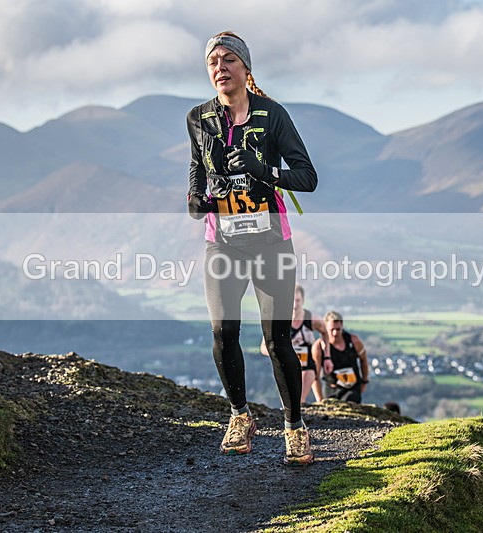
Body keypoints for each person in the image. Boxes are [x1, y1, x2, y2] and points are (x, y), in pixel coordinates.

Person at [186, 31, 317, 465]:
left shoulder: (272, 115)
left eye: (227, 59)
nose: (219, 67)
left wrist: (265, 170)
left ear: (245, 68)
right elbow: (195, 169)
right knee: (223, 333)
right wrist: (195, 199)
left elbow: (307, 177)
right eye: (212, 62)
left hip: (270, 242)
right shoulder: (198, 119)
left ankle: (294, 426)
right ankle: (240, 416)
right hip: (222, 242)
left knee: (278, 340)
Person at [260, 285, 331, 404]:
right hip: (286, 365)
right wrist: (278, 352)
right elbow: (263, 347)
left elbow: (325, 333)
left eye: (298, 300)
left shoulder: (312, 319)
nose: (294, 304)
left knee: (299, 400)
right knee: (288, 402)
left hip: (307, 365)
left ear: (303, 300)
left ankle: (299, 419)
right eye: (292, 300)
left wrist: (327, 355)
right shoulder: (278, 321)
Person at [312, 311, 369, 403]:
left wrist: (364, 381)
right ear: (325, 328)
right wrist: (319, 400)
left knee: (350, 405)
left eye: (338, 329)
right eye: (332, 330)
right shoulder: (318, 347)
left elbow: (364, 360)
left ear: (342, 327)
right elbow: (315, 376)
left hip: (352, 388)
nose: (335, 333)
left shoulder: (354, 341)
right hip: (331, 389)